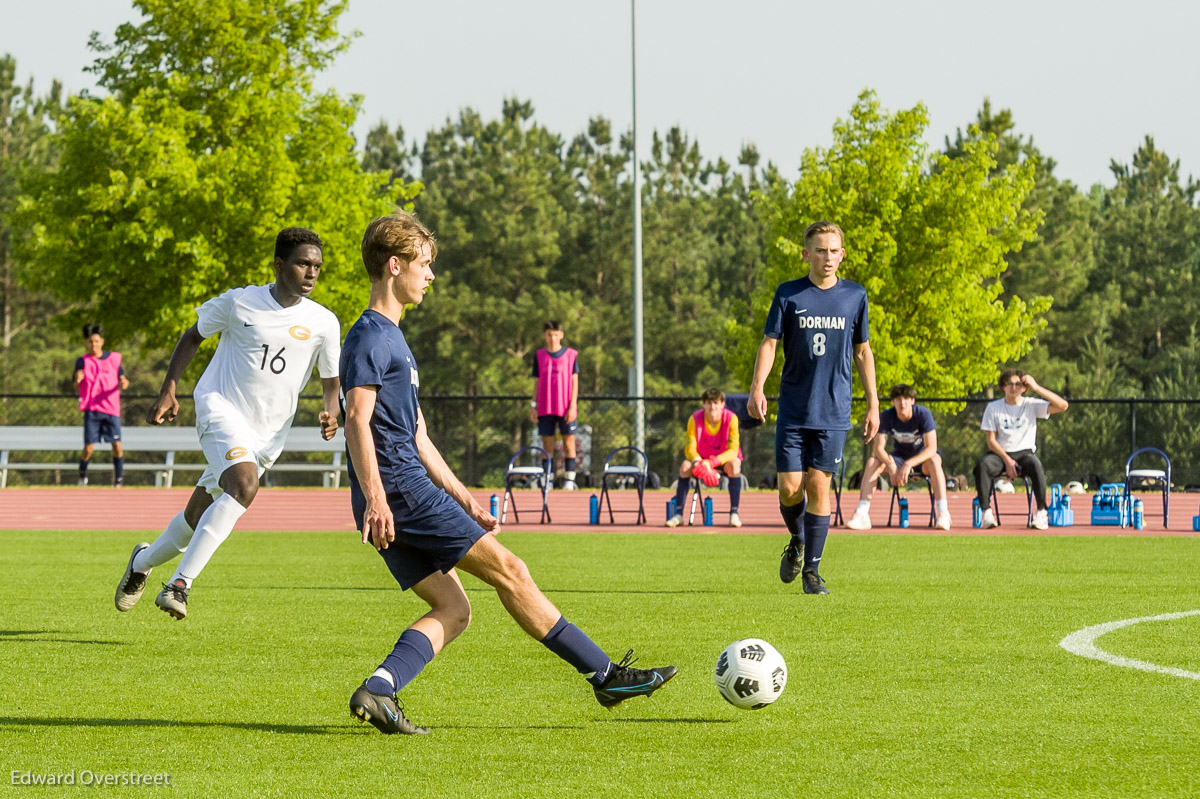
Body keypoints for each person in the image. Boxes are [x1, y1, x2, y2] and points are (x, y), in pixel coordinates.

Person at [342, 211, 675, 735]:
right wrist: (378, 499)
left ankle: (380, 689)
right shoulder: (370, 337)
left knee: (454, 608)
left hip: (399, 491)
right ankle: (606, 675)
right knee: (512, 572)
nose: (431, 276)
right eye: (424, 265)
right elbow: (356, 419)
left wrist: (465, 498)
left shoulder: (394, 340)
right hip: (398, 492)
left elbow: (419, 436)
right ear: (394, 265)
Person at [113, 228, 341, 620]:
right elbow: (192, 337)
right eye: (303, 263)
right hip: (219, 409)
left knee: (192, 522)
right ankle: (179, 585)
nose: (311, 272)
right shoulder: (240, 301)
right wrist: (169, 389)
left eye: (317, 266)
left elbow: (331, 380)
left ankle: (142, 562)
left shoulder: (324, 322)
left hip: (267, 436)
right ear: (279, 264)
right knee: (244, 485)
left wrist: (330, 410)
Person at [748, 220, 879, 595]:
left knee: (819, 484)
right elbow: (769, 343)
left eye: (833, 250)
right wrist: (758, 387)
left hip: (834, 409)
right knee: (790, 488)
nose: (827, 257)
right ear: (807, 254)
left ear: (842, 255)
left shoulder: (855, 295)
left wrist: (873, 404)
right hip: (793, 408)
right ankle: (797, 538)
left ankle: (812, 572)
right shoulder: (789, 294)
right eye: (819, 250)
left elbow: (863, 351)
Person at [845, 384, 952, 531]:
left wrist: (909, 465)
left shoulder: (923, 414)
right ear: (893, 402)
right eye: (898, 399)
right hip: (898, 458)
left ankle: (943, 513)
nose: (903, 403)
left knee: (934, 460)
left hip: (921, 460)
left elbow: (931, 448)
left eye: (907, 399)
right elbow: (878, 449)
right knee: (872, 462)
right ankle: (862, 514)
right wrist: (891, 464)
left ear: (912, 401)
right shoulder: (886, 416)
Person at [974, 369, 1068, 530]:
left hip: (1025, 454)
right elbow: (990, 441)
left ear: (1024, 388)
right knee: (982, 465)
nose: (1013, 387)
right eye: (1009, 384)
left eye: (1018, 384)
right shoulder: (993, 407)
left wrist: (1037, 387)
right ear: (1003, 387)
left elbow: (1063, 406)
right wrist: (1007, 460)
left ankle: (1041, 512)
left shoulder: (1030, 405)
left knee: (1035, 464)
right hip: (1000, 455)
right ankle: (986, 513)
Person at [666, 387, 744, 528]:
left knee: (734, 465)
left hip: (723, 461)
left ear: (722, 404)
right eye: (708, 402)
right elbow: (690, 448)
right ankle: (678, 514)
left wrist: (712, 462)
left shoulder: (732, 419)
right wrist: (698, 462)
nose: (712, 406)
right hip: (701, 461)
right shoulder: (694, 419)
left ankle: (734, 513)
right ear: (703, 404)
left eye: (715, 402)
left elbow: (733, 451)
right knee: (685, 467)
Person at [74, 323, 130, 487]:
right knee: (88, 448)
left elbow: (123, 379)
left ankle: (118, 480)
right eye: (90, 342)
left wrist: (124, 382)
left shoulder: (113, 359)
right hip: (92, 410)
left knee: (117, 446)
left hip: (111, 409)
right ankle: (82, 474)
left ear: (102, 341)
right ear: (87, 343)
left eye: (96, 341)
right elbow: (76, 382)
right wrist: (78, 379)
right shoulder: (83, 361)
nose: (94, 345)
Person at [529, 320, 579, 489]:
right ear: (544, 335)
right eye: (549, 334)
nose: (552, 338)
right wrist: (533, 405)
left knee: (568, 443)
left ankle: (569, 481)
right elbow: (536, 382)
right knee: (547, 444)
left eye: (556, 334)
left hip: (565, 408)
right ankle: (547, 479)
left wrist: (573, 406)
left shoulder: (571, 355)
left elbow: (575, 382)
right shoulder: (539, 355)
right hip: (545, 407)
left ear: (561, 335)